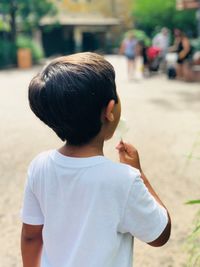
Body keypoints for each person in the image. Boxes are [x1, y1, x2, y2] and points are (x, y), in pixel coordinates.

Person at [20, 52, 171, 267]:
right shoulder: (123, 180)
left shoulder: (39, 166)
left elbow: (30, 236)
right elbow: (160, 233)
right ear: (110, 111)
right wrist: (139, 173)